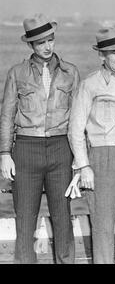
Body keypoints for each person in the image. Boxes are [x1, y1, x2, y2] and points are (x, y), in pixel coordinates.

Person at [0, 14, 79, 263]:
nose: (47, 46)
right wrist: (4, 155)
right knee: (25, 219)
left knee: (63, 218)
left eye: (50, 40)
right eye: (41, 42)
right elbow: (6, 116)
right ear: (31, 45)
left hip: (60, 148)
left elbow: (78, 119)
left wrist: (80, 159)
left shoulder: (71, 73)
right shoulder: (17, 73)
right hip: (25, 149)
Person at [67, 27, 115, 264]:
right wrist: (84, 166)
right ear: (102, 56)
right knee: (102, 230)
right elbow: (75, 129)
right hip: (102, 158)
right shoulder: (89, 84)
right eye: (114, 52)